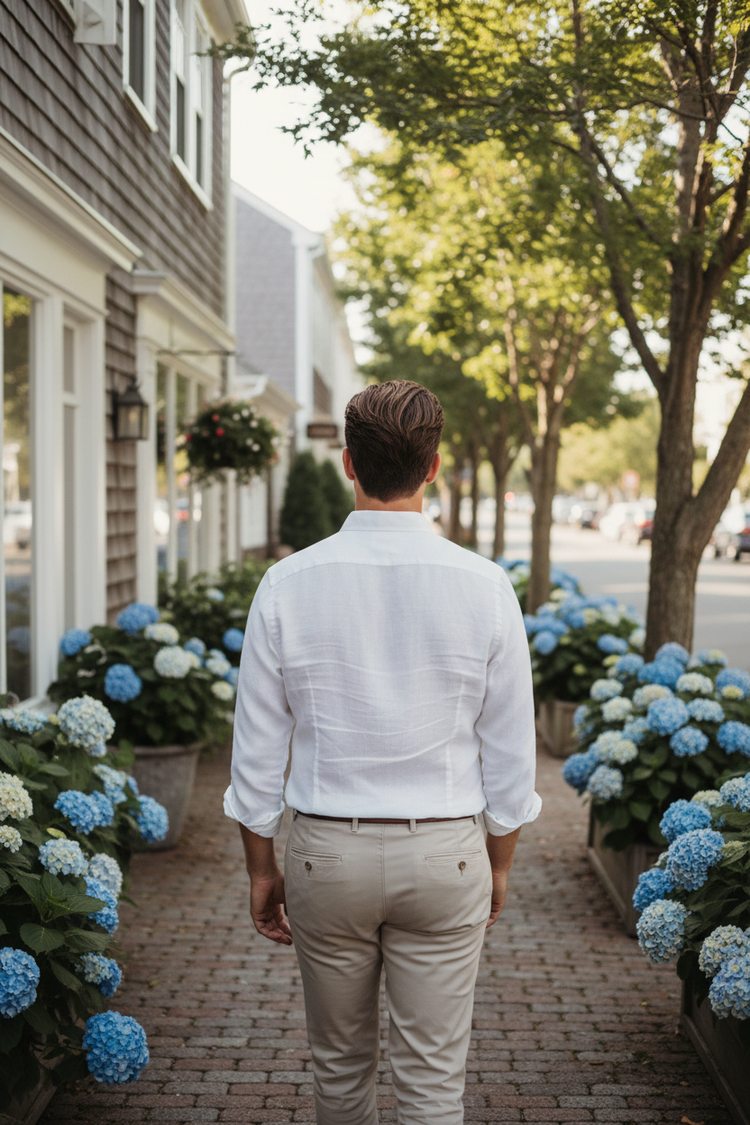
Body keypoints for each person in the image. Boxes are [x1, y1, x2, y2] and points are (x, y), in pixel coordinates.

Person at [224, 380, 540, 1125]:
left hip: (327, 856)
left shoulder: (286, 583)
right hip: (446, 853)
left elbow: (257, 750)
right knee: (433, 1086)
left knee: (339, 1077)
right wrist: (498, 863)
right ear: (433, 468)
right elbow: (510, 751)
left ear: (346, 463)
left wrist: (260, 868)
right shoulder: (487, 586)